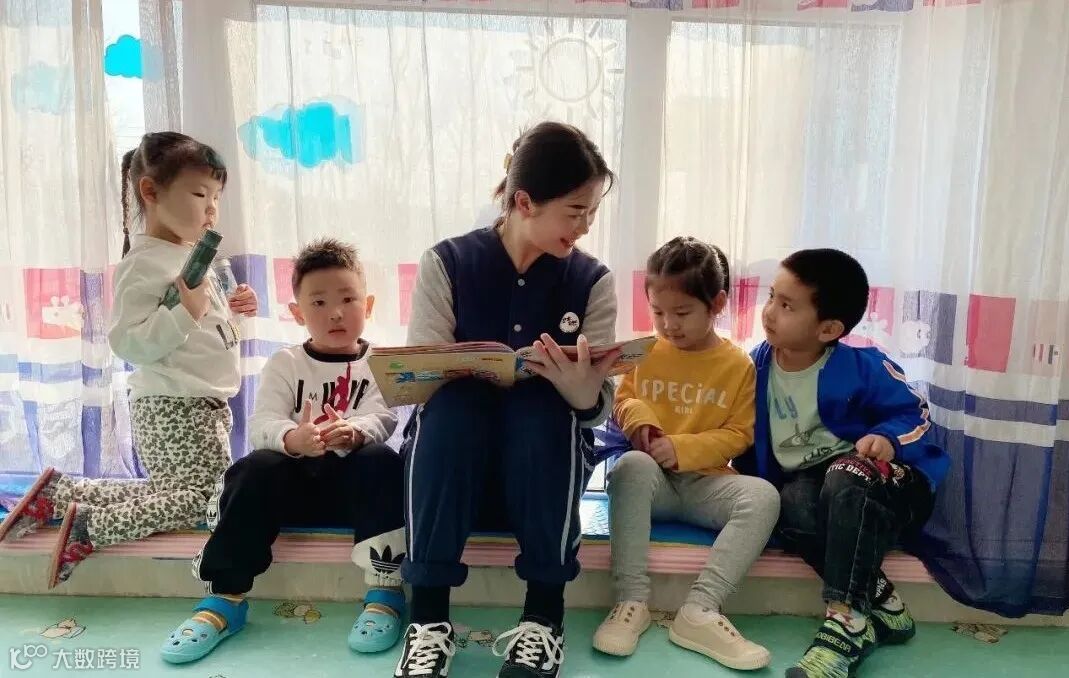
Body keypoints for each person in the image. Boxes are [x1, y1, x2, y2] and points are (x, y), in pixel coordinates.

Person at [395, 122, 620, 678]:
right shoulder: (447, 262)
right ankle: (428, 623)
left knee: (541, 409)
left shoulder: (592, 280)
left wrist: (574, 383)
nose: (585, 226)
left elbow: (596, 409)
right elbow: (418, 388)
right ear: (524, 202)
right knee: (453, 408)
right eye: (575, 211)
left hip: (542, 470)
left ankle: (544, 619)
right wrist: (455, 371)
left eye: (592, 212)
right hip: (454, 466)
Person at [0, 132, 258, 589]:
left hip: (202, 403)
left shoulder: (193, 256)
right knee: (203, 499)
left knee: (174, 494)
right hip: (173, 404)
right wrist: (185, 312)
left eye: (216, 197)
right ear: (151, 192)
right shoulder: (144, 262)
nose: (211, 208)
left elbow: (205, 330)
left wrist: (235, 310)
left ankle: (60, 494)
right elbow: (129, 342)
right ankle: (89, 526)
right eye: (200, 194)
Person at [160, 238, 407, 663]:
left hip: (356, 491)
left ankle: (385, 592)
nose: (335, 313)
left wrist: (353, 432)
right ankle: (225, 598)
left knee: (383, 460)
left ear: (367, 305)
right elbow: (262, 424)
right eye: (319, 302)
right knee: (254, 467)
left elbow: (383, 417)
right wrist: (294, 438)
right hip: (293, 488)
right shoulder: (285, 363)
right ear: (297, 313)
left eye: (348, 299)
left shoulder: (379, 362)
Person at [734, 248, 950, 678]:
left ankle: (846, 623)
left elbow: (916, 414)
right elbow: (740, 430)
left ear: (829, 329)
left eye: (787, 305)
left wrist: (887, 439)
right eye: (772, 296)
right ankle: (885, 605)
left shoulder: (863, 365)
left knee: (844, 472)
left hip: (884, 485)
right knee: (788, 501)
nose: (770, 311)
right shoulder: (755, 367)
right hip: (813, 487)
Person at [593, 236, 778, 671]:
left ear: (717, 304)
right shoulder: (646, 351)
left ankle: (700, 611)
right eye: (658, 312)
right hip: (651, 484)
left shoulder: (737, 365)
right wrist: (638, 419)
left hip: (704, 485)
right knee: (630, 465)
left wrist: (682, 448)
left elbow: (739, 434)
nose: (668, 325)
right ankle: (631, 602)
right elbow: (623, 399)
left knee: (764, 497)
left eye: (681, 313)